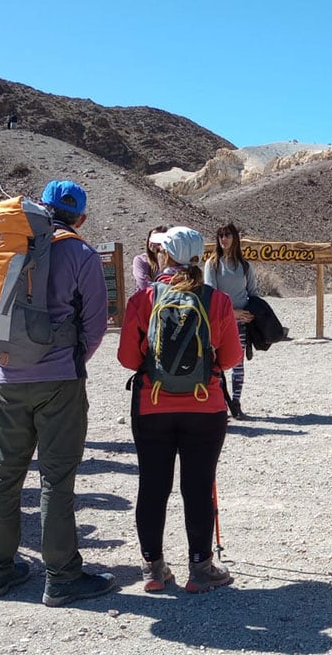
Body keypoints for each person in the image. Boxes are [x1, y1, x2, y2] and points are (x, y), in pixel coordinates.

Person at [0, 180, 114, 606]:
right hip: (59, 380)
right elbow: (95, 323)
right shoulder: (81, 253)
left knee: (3, 475)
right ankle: (61, 577)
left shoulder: (3, 243)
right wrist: (70, 360)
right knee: (56, 478)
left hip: (5, 378)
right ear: (81, 217)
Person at [118, 227, 243, 594]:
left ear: (165, 256)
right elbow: (232, 357)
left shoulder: (144, 299)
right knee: (198, 486)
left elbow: (128, 358)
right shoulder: (216, 300)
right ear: (197, 257)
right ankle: (201, 566)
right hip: (206, 406)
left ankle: (153, 568)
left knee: (153, 485)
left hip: (151, 404)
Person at [204, 222, 259, 420]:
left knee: (238, 363)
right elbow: (210, 294)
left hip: (242, 322)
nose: (224, 239)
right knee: (217, 364)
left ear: (235, 238)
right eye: (221, 235)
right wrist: (232, 313)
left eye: (228, 235)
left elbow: (253, 293)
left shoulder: (244, 266)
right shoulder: (212, 264)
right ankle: (222, 403)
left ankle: (236, 402)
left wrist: (253, 312)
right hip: (220, 322)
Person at [132, 225, 169, 293]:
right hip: (147, 300)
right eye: (151, 238)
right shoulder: (140, 260)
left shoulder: (172, 261)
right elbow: (144, 284)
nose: (153, 243)